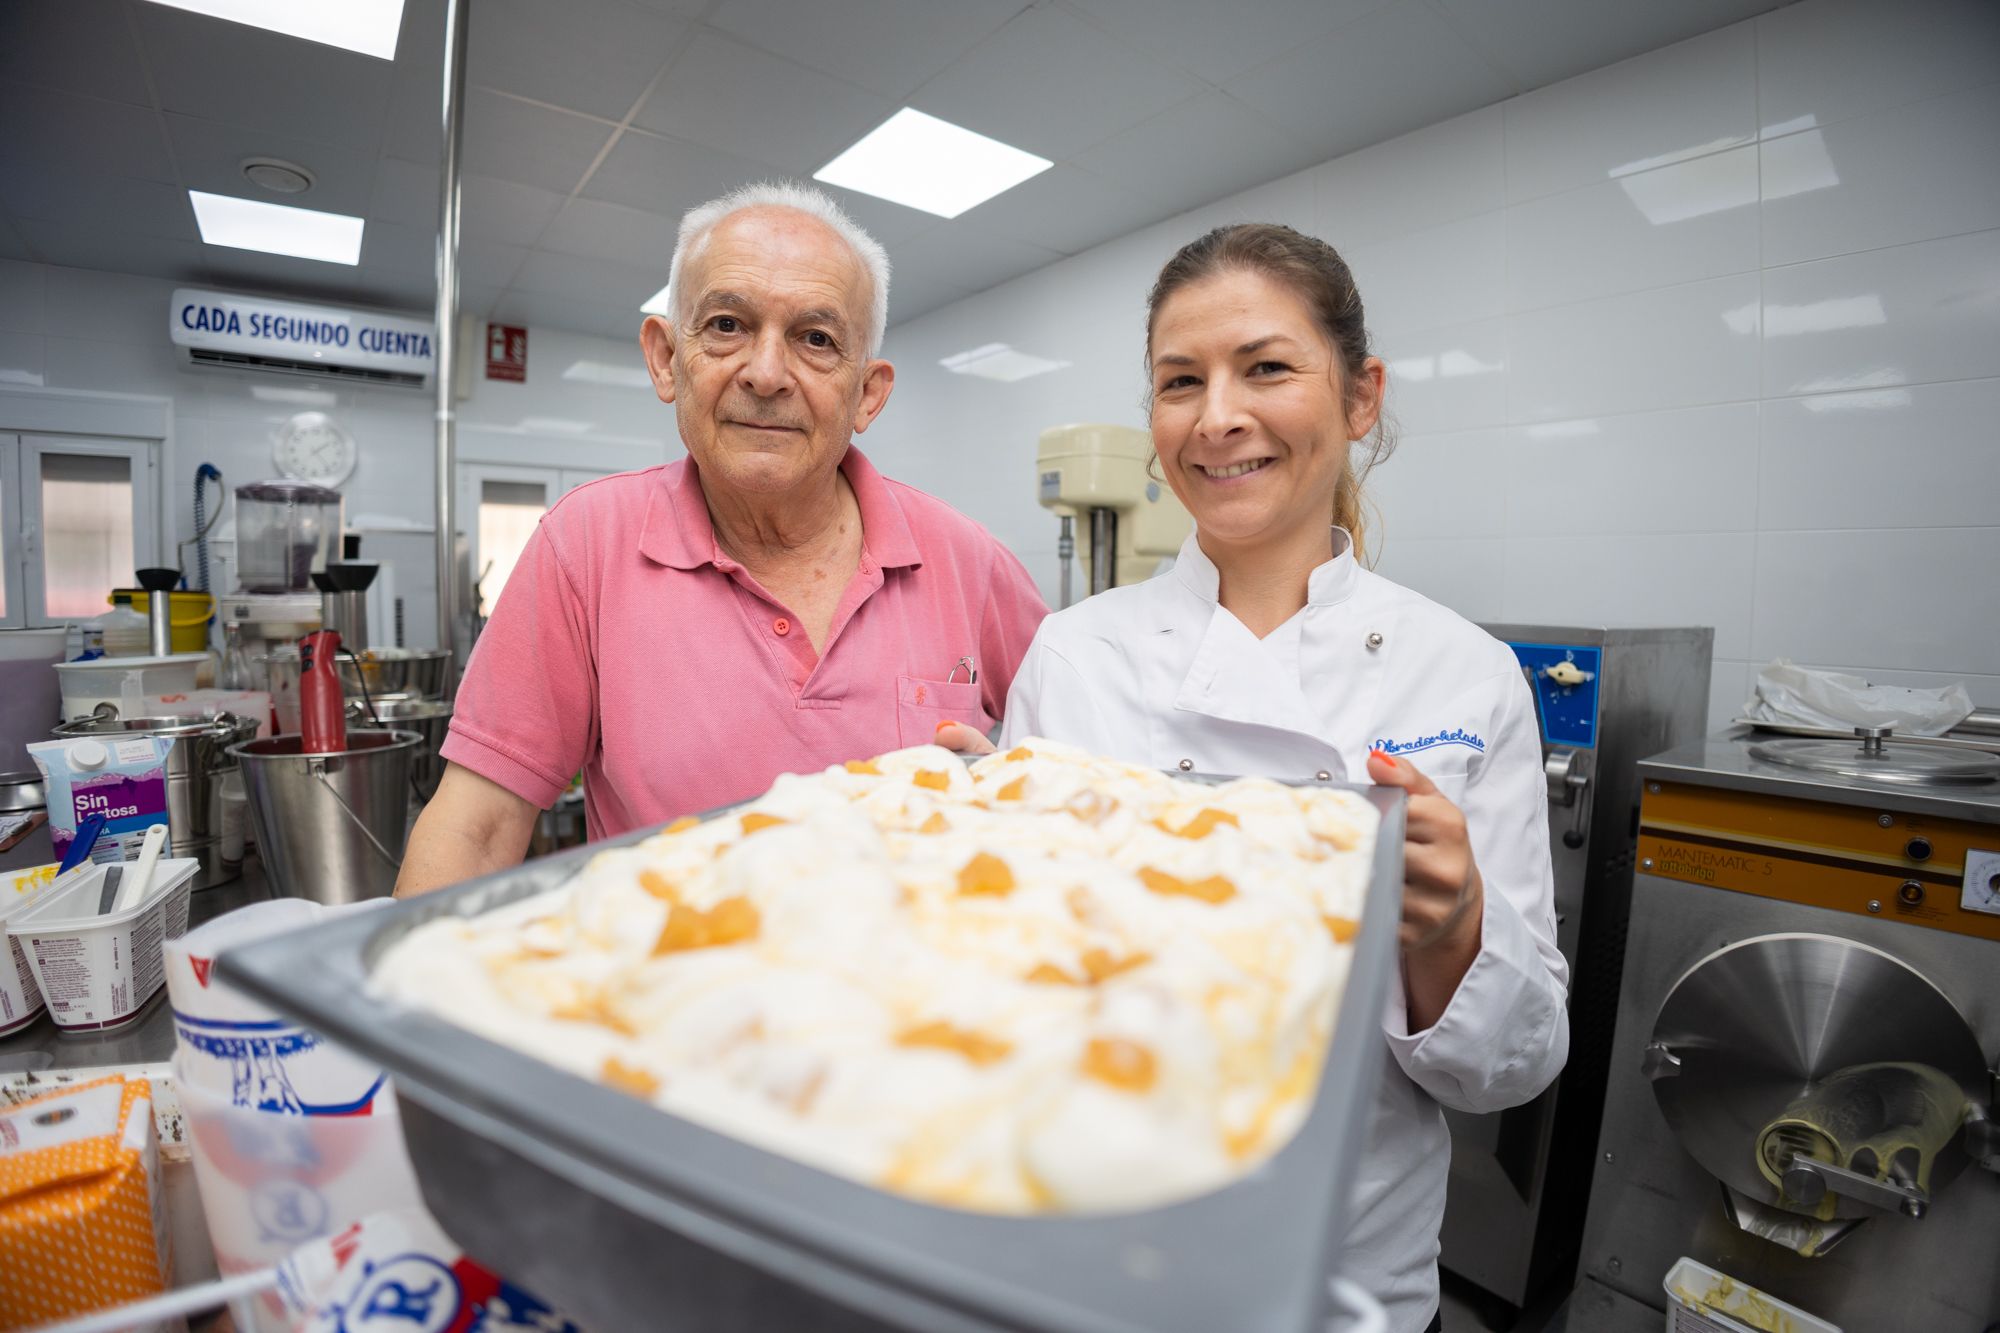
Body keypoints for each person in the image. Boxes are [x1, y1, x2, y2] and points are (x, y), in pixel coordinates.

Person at [939, 223, 1568, 1333]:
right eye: (1179, 382)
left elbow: (1508, 1073)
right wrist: (963, 864)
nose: (1216, 416)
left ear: (1360, 395)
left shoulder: (1460, 674)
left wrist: (1452, 927)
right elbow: (1020, 999)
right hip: (1092, 1258)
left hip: (1342, 1279)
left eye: (1265, 367)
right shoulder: (1075, 655)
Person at [398, 182, 1047, 897]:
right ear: (665, 358)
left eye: (816, 339)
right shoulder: (584, 547)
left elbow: (1079, 785)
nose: (766, 374)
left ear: (867, 394)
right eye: (729, 325)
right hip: (668, 997)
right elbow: (478, 826)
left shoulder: (969, 561)